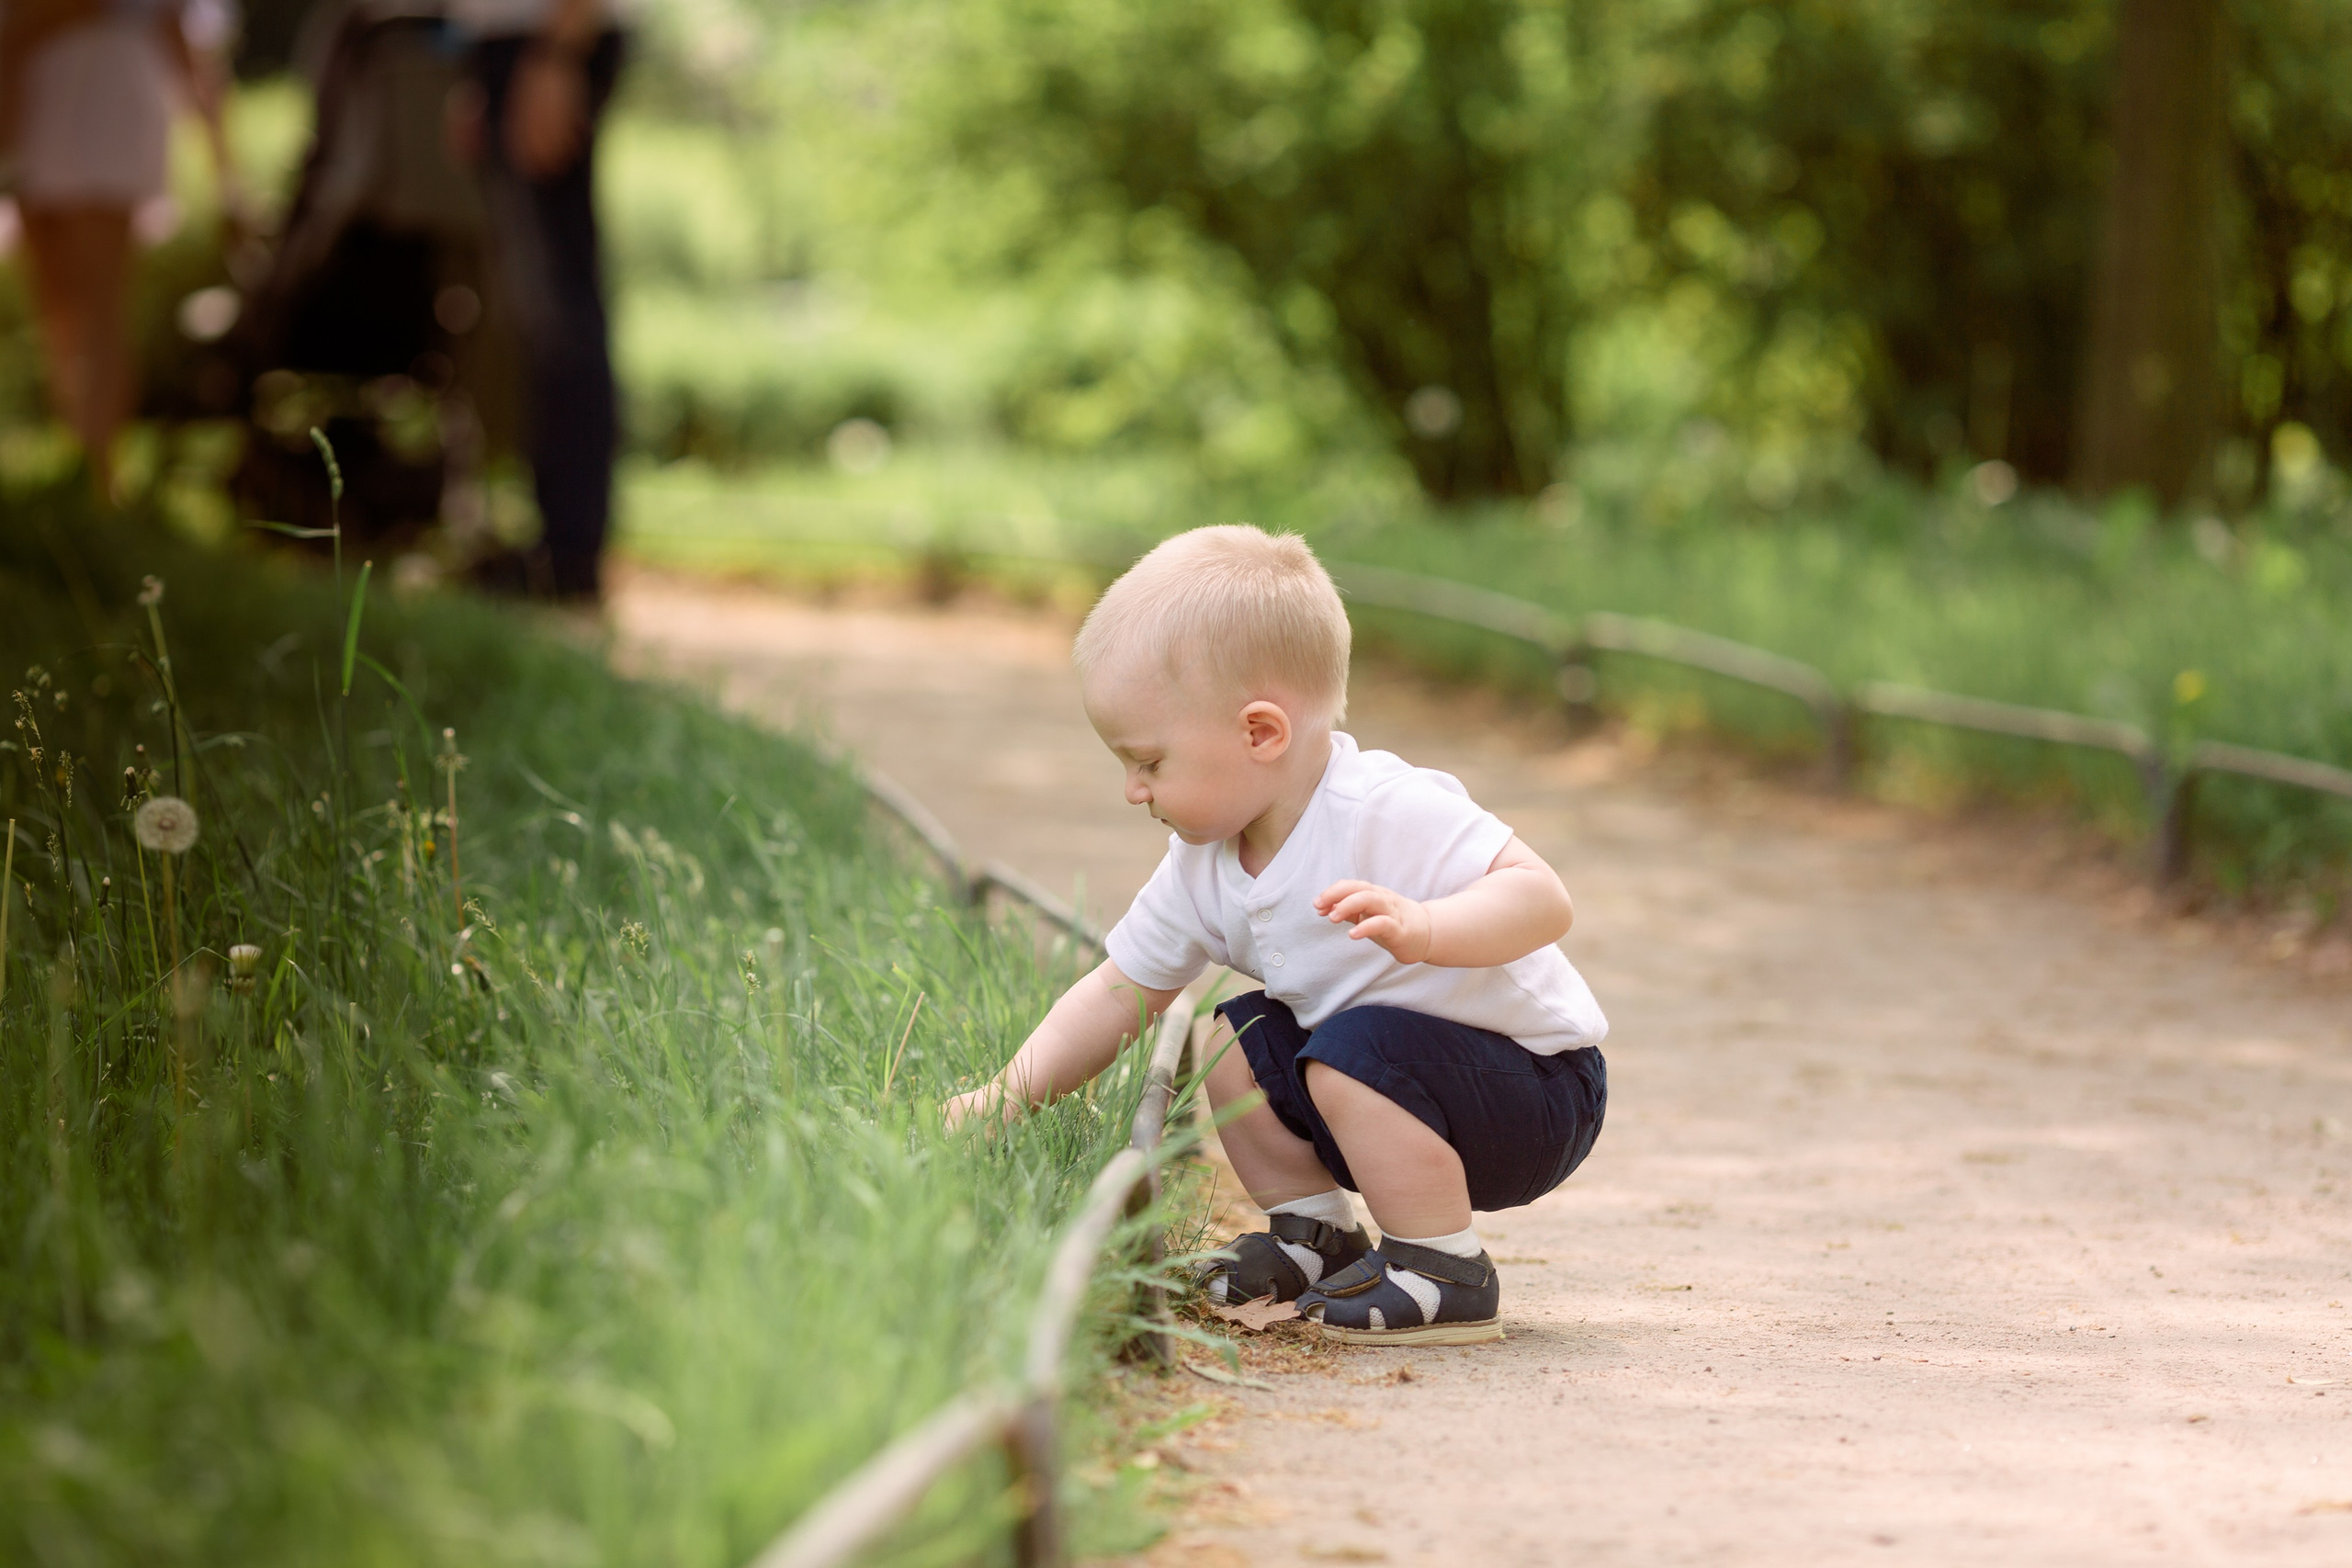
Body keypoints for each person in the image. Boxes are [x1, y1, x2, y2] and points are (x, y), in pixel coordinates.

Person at [948, 526, 1609, 1345]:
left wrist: (1430, 926)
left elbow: (1543, 898)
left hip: (1532, 1091)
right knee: (1232, 1032)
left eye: (1148, 761)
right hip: (1381, 1086)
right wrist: (1007, 1095)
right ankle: (1317, 1237)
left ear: (1259, 732)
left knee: (1350, 1050)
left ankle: (1446, 1266)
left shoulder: (1384, 809)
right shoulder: (1202, 865)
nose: (1131, 789)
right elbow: (1119, 991)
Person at [0, 0, 238, 501]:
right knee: (58, 306)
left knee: (100, 307)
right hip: (32, 110)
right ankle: (80, 458)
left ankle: (100, 473)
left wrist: (225, 169)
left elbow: (180, 40)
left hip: (107, 112)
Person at [449, 0, 622, 604]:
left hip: (552, 37)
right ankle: (557, 548)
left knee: (562, 313)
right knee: (538, 315)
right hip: (520, 44)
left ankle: (570, 556)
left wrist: (557, 51)